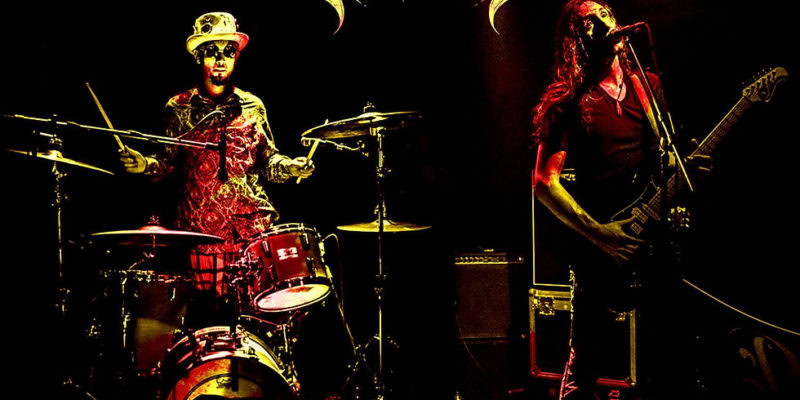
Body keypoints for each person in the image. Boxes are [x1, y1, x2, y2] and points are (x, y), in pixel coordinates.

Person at [532, 1, 703, 399]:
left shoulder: (648, 86)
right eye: (589, 21)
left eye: (606, 14)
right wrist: (600, 233)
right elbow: (543, 182)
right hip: (598, 246)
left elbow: (664, 159)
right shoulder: (568, 100)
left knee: (674, 356)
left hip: (653, 239)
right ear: (576, 38)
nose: (603, 23)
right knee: (584, 366)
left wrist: (684, 178)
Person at [119, 11, 314, 308]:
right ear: (199, 57)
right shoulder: (178, 108)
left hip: (252, 232)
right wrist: (144, 164)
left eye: (229, 52)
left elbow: (267, 161)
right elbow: (167, 162)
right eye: (212, 51)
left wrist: (291, 166)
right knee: (211, 320)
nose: (221, 59)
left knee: (259, 317)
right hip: (202, 236)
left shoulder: (252, 106)